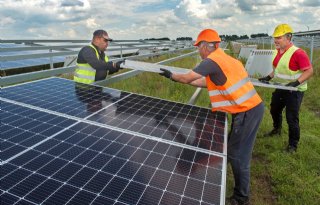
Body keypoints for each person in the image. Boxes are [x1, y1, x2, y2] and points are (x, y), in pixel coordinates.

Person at [159, 29, 264, 205]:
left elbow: (187, 78)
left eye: (199, 46)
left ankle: (241, 197)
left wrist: (171, 76)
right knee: (235, 151)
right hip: (250, 110)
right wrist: (184, 80)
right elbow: (202, 82)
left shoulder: (212, 60)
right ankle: (239, 187)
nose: (198, 51)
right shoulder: (226, 59)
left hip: (247, 112)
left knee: (238, 155)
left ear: (207, 46)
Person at [258, 24, 313, 153]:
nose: (275, 40)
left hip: (295, 90)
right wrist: (268, 77)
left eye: (279, 38)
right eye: (275, 38)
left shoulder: (298, 53)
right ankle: (277, 129)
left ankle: (293, 145)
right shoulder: (277, 52)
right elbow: (278, 70)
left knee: (291, 117)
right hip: (281, 87)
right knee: (274, 109)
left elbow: (309, 71)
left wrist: (296, 83)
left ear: (288, 38)